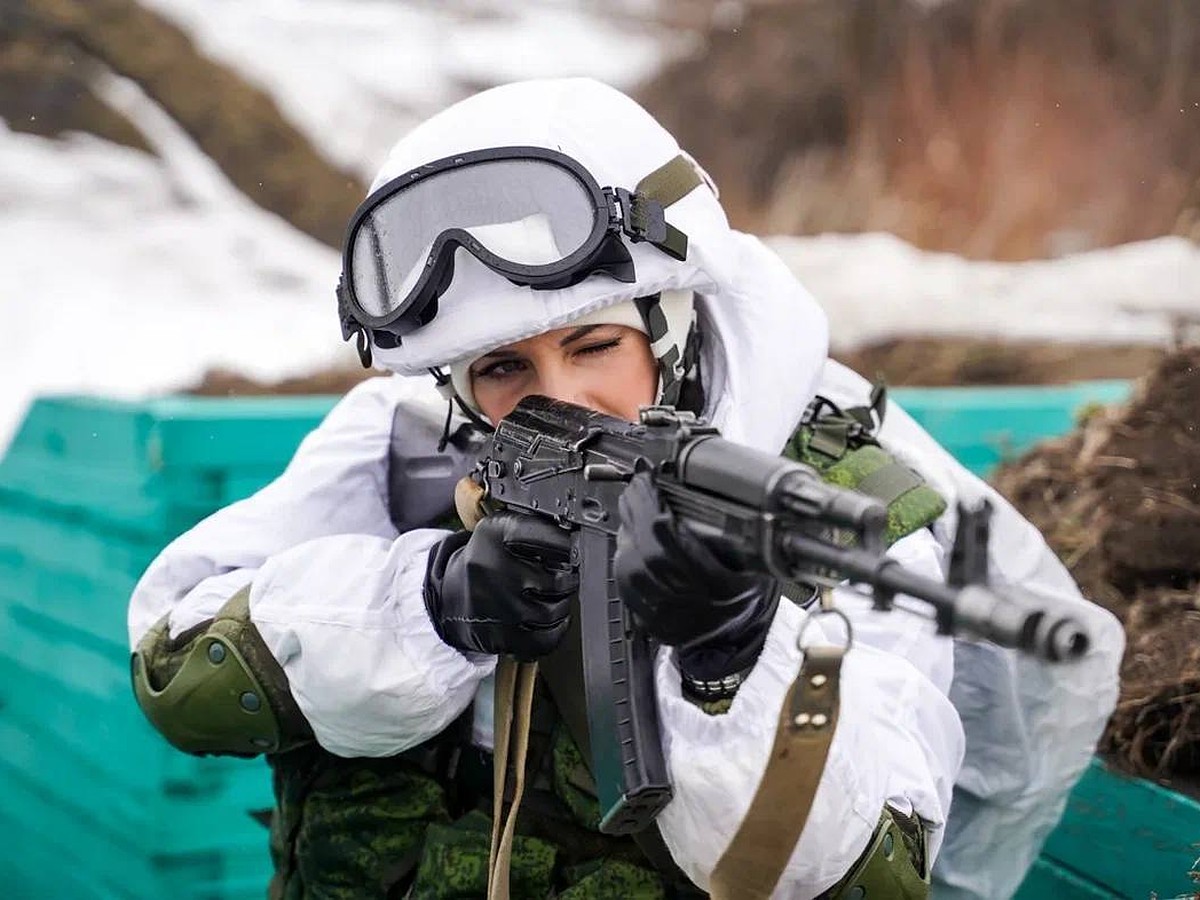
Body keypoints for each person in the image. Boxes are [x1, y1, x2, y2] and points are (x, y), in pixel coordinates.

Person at [128, 78, 1123, 899]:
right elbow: (178, 670)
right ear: (460, 386)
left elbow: (866, 877)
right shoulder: (409, 445)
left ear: (675, 330)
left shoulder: (821, 494)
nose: (563, 398)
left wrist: (732, 653)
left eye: (595, 345)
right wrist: (434, 604)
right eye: (504, 370)